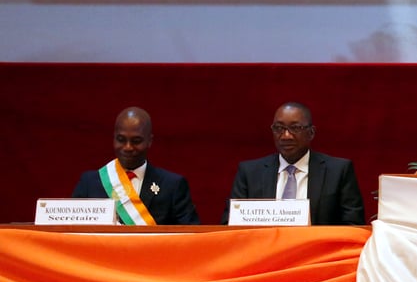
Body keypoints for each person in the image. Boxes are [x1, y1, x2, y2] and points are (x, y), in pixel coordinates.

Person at [222, 102, 365, 225]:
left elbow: (353, 226)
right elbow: (230, 224)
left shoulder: (338, 171)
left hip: (319, 254)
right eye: (279, 128)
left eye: (295, 128)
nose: (286, 136)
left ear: (311, 133)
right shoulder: (250, 173)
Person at [72, 106, 200, 225]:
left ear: (149, 141)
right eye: (121, 140)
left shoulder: (173, 185)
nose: (127, 147)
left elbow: (191, 236)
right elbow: (71, 230)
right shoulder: (90, 183)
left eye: (136, 141)